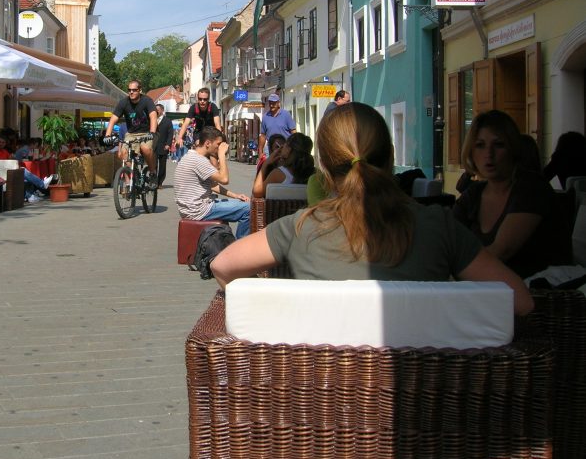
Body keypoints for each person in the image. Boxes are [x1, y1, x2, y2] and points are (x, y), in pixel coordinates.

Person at [209, 103, 534, 316]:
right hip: (428, 404)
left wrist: (278, 314)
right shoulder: (439, 225)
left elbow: (223, 266)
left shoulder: (300, 227)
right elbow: (520, 301)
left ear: (323, 168)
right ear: (391, 157)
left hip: (320, 405)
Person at [452, 110, 572, 278]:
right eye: (480, 145)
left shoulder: (531, 188)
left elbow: (502, 250)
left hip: (542, 297)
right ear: (471, 151)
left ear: (513, 148)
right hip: (491, 293)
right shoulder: (473, 195)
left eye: (499, 144)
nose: (489, 154)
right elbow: (447, 239)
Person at [174, 126, 250, 238]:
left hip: (192, 209)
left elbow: (213, 185)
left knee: (243, 204)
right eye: (218, 144)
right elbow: (224, 179)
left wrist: (235, 195)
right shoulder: (198, 160)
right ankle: (240, 248)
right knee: (249, 209)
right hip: (199, 211)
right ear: (208, 143)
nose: (220, 147)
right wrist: (222, 156)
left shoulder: (191, 156)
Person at [104, 79, 158, 188]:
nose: (131, 92)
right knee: (123, 153)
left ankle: (152, 173)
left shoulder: (147, 101)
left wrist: (152, 132)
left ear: (140, 90)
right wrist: (107, 135)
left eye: (134, 90)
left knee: (145, 149)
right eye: (129, 90)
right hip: (131, 133)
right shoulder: (123, 102)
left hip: (146, 132)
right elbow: (113, 119)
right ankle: (132, 176)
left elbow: (153, 116)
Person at [251, 132, 315, 198]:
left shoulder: (278, 173)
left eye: (284, 145)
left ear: (288, 150)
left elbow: (256, 192)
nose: (281, 148)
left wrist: (265, 164)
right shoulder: (315, 173)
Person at [153, 104, 174, 187]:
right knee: (153, 165)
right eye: (155, 109)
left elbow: (170, 133)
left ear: (162, 110)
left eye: (158, 109)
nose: (156, 111)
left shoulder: (167, 121)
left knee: (162, 166)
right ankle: (154, 181)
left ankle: (160, 182)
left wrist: (168, 144)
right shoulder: (152, 120)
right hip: (153, 146)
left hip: (163, 146)